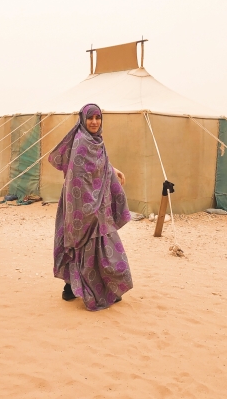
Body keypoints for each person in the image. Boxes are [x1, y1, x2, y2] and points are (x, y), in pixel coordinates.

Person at [48, 103, 133, 311]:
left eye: (98, 118)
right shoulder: (81, 143)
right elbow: (76, 179)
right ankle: (80, 287)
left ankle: (79, 287)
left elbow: (98, 164)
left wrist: (113, 170)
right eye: (90, 118)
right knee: (82, 245)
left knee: (94, 247)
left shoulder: (96, 141)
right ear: (83, 120)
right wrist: (89, 208)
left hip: (97, 206)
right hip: (83, 207)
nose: (94, 122)